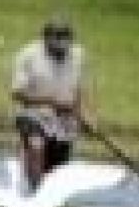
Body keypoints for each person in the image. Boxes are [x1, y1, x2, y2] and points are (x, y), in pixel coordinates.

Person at [10, 19, 86, 190]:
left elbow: (78, 87)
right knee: (36, 146)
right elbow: (17, 93)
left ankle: (45, 195)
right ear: (46, 39)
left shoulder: (78, 55)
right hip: (33, 114)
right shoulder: (27, 55)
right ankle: (37, 194)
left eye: (66, 40)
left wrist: (80, 114)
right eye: (57, 39)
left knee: (56, 169)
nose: (62, 45)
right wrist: (51, 102)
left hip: (64, 120)